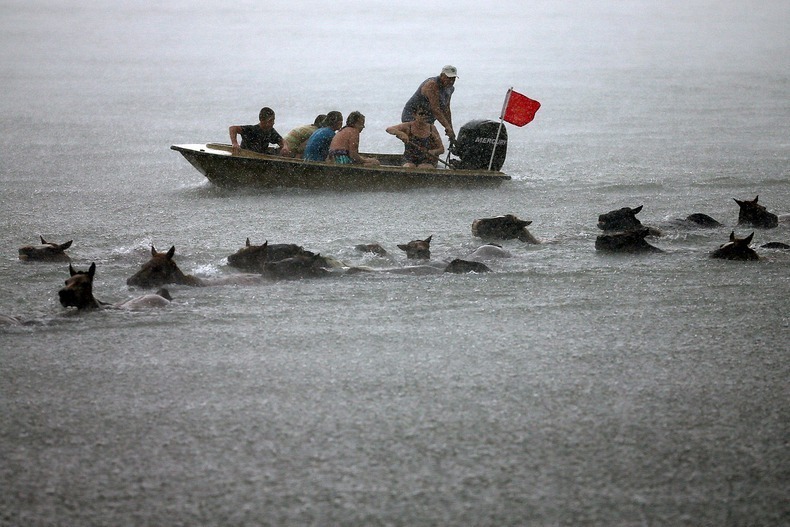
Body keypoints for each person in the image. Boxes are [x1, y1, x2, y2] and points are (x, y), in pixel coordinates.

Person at [401, 65, 457, 142]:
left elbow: (446, 110)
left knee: (432, 144)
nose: (451, 81)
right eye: (448, 78)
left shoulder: (450, 89)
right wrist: (446, 126)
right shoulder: (432, 84)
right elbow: (436, 109)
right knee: (420, 143)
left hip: (428, 119)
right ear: (441, 75)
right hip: (413, 116)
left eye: (453, 79)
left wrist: (451, 129)